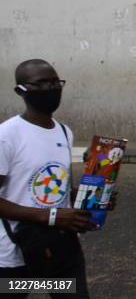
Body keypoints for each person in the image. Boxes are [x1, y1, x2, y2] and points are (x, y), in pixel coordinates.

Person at [0, 59, 98, 298]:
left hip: (60, 247)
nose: (51, 89)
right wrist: (50, 215)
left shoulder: (64, 132)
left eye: (55, 82)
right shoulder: (7, 135)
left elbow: (58, 188)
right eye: (41, 84)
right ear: (20, 91)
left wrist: (92, 198)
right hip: (15, 254)